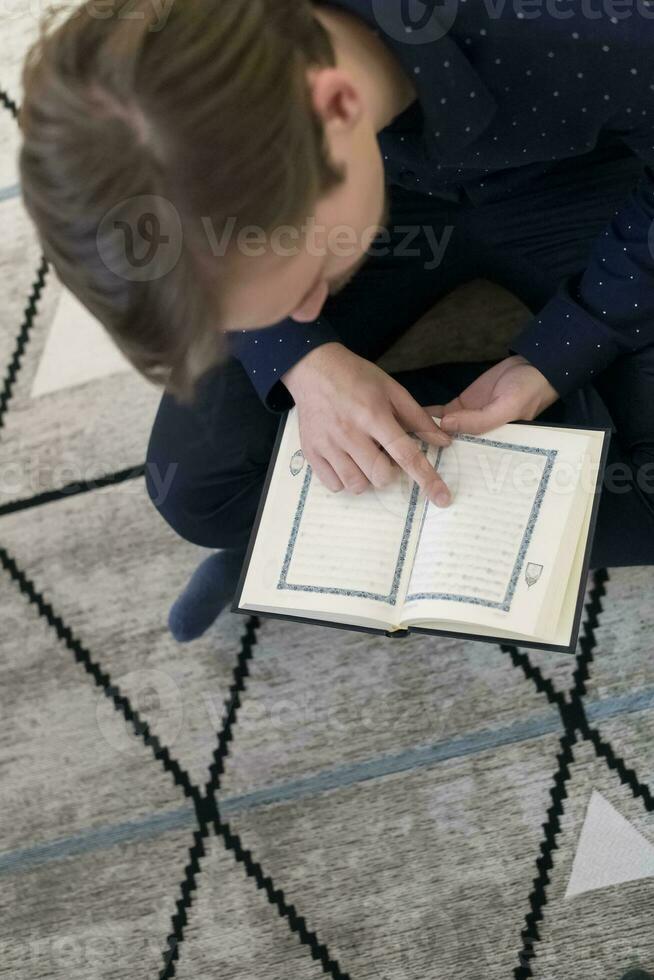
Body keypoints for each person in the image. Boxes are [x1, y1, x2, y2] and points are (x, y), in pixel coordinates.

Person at [17, 0, 654, 648]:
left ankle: (317, 536)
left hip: (582, 177)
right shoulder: (171, 59)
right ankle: (325, 543)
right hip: (374, 188)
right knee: (199, 486)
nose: (308, 313)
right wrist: (302, 358)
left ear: (339, 106)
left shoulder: (590, 26)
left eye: (307, 285)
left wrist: (558, 352)